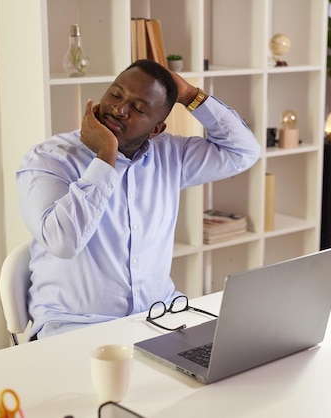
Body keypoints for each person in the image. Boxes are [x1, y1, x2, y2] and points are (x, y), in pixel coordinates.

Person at [17, 59, 260, 338]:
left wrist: (191, 96)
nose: (119, 109)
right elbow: (64, 242)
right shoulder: (49, 158)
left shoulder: (171, 155)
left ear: (157, 129)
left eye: (139, 108)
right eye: (116, 94)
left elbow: (244, 152)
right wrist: (106, 156)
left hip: (159, 318)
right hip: (76, 327)